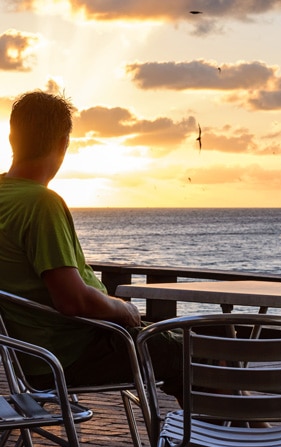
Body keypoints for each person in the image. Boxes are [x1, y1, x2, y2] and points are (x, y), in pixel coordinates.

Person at [0, 90, 182, 403]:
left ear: (13, 139)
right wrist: (125, 309)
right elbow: (73, 301)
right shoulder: (40, 203)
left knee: (180, 345)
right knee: (205, 353)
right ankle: (234, 437)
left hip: (27, 357)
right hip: (70, 355)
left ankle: (210, 434)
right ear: (63, 144)